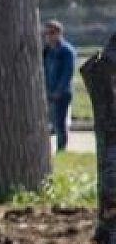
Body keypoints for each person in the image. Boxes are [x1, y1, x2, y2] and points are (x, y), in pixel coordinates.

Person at [43, 19, 76, 152]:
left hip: (62, 93)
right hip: (47, 92)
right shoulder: (46, 51)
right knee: (48, 123)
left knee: (60, 123)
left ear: (58, 33)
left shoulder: (67, 51)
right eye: (46, 33)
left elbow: (67, 73)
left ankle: (61, 149)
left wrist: (59, 91)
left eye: (51, 33)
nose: (48, 36)